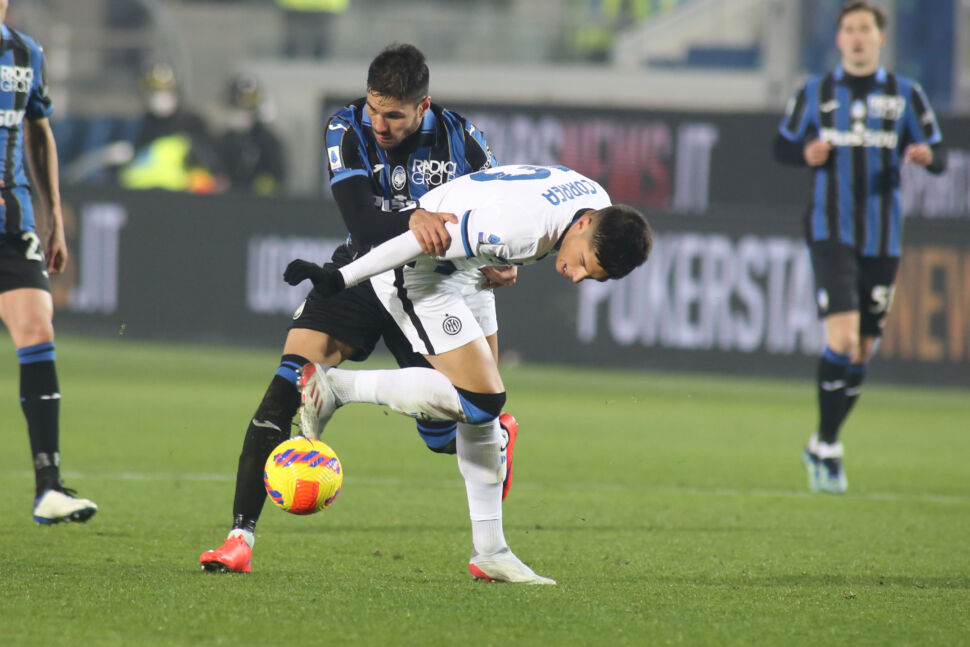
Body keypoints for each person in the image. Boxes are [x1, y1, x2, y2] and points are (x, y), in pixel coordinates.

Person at [199, 43, 516, 573]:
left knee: (457, 426)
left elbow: (501, 216)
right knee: (286, 385)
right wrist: (418, 217)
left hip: (433, 287)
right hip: (363, 272)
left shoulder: (464, 139)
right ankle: (239, 540)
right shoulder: (345, 127)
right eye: (374, 109)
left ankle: (494, 478)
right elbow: (365, 223)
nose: (380, 125)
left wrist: (503, 262)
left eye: (394, 115)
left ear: (423, 106)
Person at [285, 164, 653, 584]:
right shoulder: (523, 233)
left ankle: (491, 551)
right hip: (421, 274)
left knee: (484, 417)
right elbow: (415, 240)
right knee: (481, 401)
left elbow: (512, 186)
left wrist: (496, 253)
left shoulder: (598, 203)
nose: (578, 276)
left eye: (592, 276)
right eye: (584, 261)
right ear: (584, 224)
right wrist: (341, 277)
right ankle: (336, 388)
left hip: (469, 268)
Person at [773, 0, 945, 494]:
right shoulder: (816, 92)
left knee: (865, 347)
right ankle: (827, 445)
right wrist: (805, 151)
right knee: (844, 339)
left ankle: (824, 441)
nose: (857, 37)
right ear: (838, 38)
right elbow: (781, 146)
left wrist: (925, 154)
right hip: (831, 231)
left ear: (880, 37)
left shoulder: (906, 94)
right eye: (848, 28)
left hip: (883, 236)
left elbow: (939, 155)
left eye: (865, 28)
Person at [0, 0, 98, 524]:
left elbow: (38, 131)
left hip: (12, 225)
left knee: (37, 329)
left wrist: (54, 214)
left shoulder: (24, 53)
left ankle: (49, 488)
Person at [119, 62, 225, 193]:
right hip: (145, 195)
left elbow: (212, 164)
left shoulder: (193, 123)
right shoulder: (140, 125)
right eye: (155, 91)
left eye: (167, 90)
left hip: (186, 196)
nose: (161, 97)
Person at [215, 73, 286, 196]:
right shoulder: (223, 140)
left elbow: (277, 177)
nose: (244, 110)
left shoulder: (266, 141)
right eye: (240, 102)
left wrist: (255, 188)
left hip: (258, 204)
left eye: (250, 101)